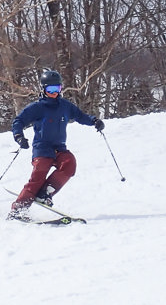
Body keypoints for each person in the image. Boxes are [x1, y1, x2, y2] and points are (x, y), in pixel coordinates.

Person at [8, 69, 104, 219]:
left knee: (69, 163)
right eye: (50, 89)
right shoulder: (37, 107)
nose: (54, 93)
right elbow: (18, 121)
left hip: (59, 148)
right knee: (39, 174)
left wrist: (93, 121)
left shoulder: (65, 106)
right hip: (42, 148)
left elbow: (80, 116)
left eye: (57, 89)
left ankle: (45, 193)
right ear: (44, 89)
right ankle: (18, 209)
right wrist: (19, 136)